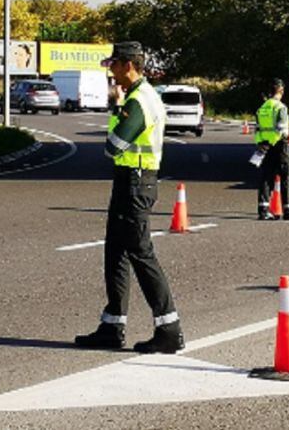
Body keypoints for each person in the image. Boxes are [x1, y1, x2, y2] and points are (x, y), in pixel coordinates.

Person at [75, 42, 184, 354]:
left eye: (114, 64)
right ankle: (112, 325)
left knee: (140, 253)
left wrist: (117, 115)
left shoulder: (139, 101)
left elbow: (114, 146)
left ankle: (169, 328)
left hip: (136, 182)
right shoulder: (138, 96)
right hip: (130, 181)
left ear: (128, 65)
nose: (110, 70)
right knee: (116, 253)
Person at [254, 78, 289, 221]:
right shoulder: (280, 107)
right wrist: (274, 141)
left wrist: (262, 145)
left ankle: (263, 210)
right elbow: (282, 130)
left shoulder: (262, 107)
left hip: (264, 145)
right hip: (279, 146)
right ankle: (287, 210)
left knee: (265, 177)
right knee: (286, 177)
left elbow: (257, 130)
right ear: (281, 91)